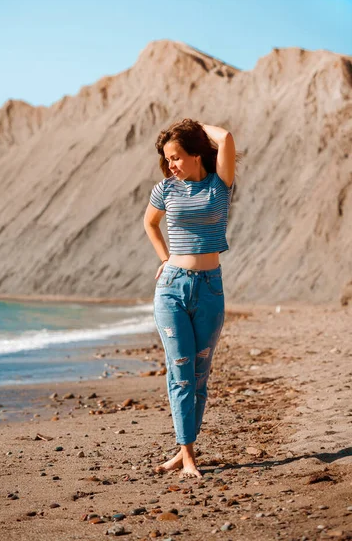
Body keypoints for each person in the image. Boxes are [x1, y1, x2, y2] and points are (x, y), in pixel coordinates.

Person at [143, 117, 237, 479]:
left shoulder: (219, 185)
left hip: (210, 288)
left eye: (177, 157)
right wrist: (165, 259)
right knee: (180, 369)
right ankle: (186, 452)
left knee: (199, 373)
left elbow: (225, 137)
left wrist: (194, 125)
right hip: (171, 288)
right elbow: (149, 223)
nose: (171, 165)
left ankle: (185, 449)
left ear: (196, 155)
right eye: (167, 159)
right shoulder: (165, 189)